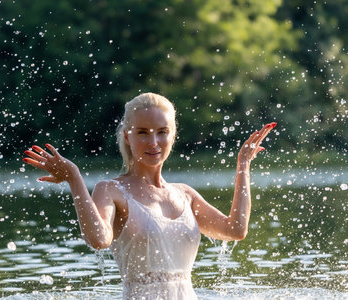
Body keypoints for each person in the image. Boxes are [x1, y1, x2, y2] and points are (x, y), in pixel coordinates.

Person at [22, 92, 276, 300]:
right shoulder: (110, 190)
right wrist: (75, 179)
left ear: (172, 135)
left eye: (162, 131)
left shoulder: (185, 194)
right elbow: (99, 239)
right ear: (127, 136)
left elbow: (235, 229)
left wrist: (243, 165)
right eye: (142, 132)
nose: (153, 141)